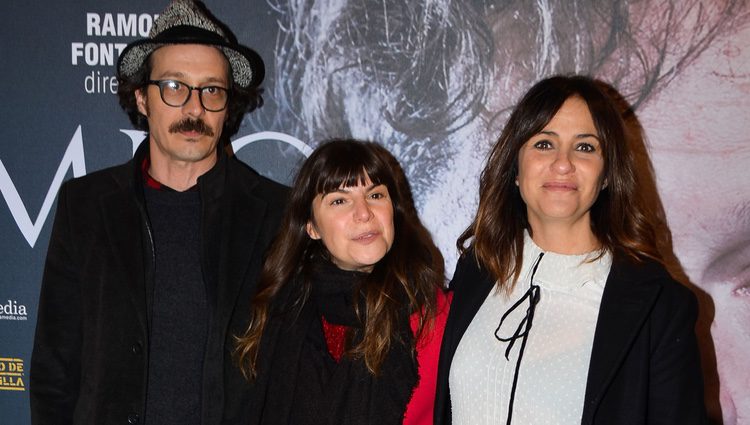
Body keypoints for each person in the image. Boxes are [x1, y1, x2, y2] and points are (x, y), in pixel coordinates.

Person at [29, 1, 287, 424]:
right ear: (141, 98)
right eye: (173, 86)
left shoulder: (276, 213)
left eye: (212, 90)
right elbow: (55, 369)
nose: (194, 108)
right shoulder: (87, 206)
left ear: (228, 104)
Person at [433, 75, 707, 425]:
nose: (563, 163)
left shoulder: (660, 309)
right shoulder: (478, 270)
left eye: (585, 147)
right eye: (544, 144)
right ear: (516, 169)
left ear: (607, 174)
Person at [234, 140, 450, 425]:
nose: (364, 213)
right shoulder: (281, 311)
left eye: (375, 195)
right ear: (311, 227)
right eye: (339, 200)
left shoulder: (435, 317)